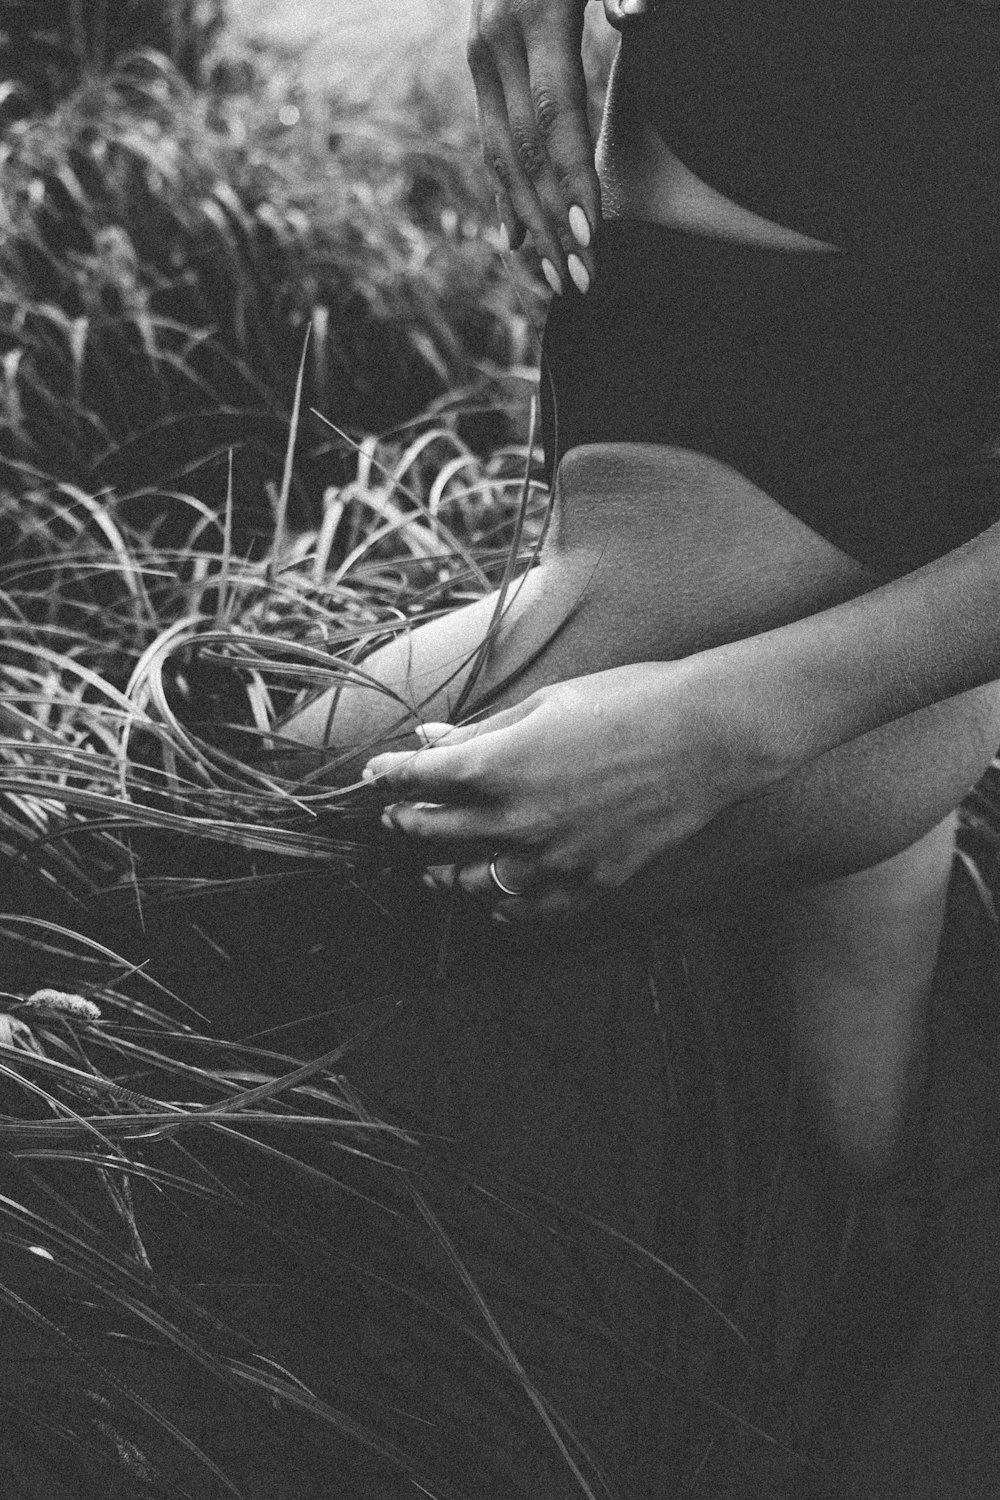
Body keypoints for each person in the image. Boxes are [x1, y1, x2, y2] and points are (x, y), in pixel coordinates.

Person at [283, 0, 1000, 1487]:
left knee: (166, 884)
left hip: (775, 659)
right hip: (824, 592)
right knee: (862, 1219)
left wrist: (721, 729)